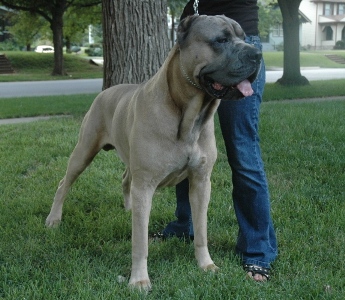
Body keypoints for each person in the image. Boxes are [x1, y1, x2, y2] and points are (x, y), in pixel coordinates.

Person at [162, 0, 278, 282]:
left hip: (232, 45)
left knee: (242, 149)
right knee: (184, 144)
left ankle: (257, 250)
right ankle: (184, 224)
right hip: (196, 47)